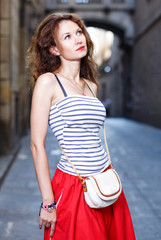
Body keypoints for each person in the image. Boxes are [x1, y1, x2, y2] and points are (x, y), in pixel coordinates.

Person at [28, 12, 135, 240]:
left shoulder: (91, 85)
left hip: (105, 180)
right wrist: (48, 203)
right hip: (74, 183)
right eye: (67, 37)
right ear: (54, 49)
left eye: (79, 32)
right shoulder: (48, 82)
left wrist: (106, 171)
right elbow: (37, 145)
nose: (78, 39)